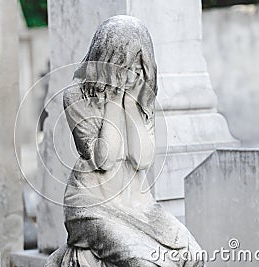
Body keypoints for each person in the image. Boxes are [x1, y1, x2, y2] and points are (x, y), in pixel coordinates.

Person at [46, 15, 204, 267]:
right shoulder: (76, 96)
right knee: (144, 264)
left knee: (194, 257)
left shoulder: (142, 98)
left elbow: (142, 159)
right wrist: (113, 98)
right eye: (127, 64)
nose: (134, 72)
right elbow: (105, 158)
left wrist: (130, 101)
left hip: (139, 205)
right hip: (91, 206)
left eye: (140, 64)